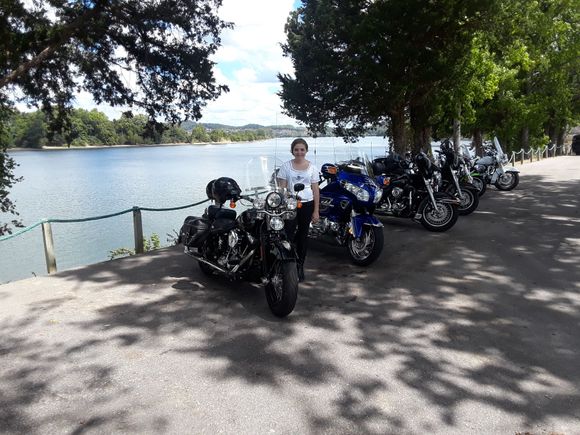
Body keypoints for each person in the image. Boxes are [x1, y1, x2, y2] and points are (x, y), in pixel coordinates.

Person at [277, 138, 320, 282]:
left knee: (303, 235)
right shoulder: (286, 166)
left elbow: (315, 190)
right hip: (290, 204)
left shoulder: (312, 168)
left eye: (302, 149)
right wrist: (282, 205)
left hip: (307, 204)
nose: (299, 152)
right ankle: (287, 265)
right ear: (292, 151)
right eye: (296, 149)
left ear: (306, 150)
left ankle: (300, 265)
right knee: (288, 234)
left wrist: (316, 210)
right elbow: (282, 189)